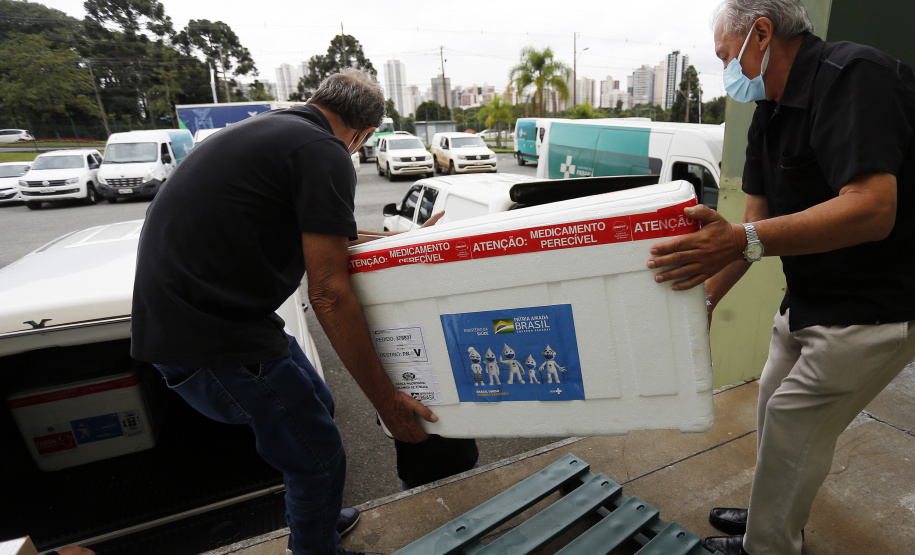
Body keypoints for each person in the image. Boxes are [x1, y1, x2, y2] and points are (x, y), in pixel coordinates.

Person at [130, 68, 437, 555]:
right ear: (364, 133)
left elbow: (328, 234)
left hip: (199, 319)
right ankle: (314, 548)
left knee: (318, 403)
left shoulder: (271, 132)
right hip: (213, 338)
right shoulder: (323, 150)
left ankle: (316, 518)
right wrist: (387, 401)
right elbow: (329, 292)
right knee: (317, 456)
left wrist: (401, 240)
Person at [646, 1, 915, 554]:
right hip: (812, 293)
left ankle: (769, 547)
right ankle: (772, 511)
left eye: (726, 55)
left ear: (761, 34)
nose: (725, 68)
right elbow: (751, 228)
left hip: (875, 303)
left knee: (796, 424)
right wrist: (704, 302)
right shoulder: (769, 111)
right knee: (772, 401)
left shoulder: (854, 77)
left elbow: (872, 208)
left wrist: (742, 240)